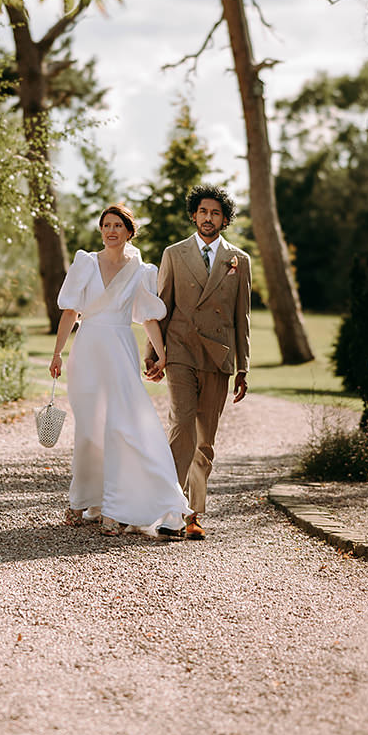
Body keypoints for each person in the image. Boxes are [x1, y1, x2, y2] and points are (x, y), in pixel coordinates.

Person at [49, 204, 191, 537]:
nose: (111, 231)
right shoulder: (85, 262)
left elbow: (149, 317)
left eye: (118, 225)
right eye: (106, 225)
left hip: (120, 349)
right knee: (89, 429)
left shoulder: (141, 270)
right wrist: (57, 353)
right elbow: (70, 312)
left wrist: (162, 353)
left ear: (130, 231)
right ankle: (82, 500)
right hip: (86, 351)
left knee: (122, 425)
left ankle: (116, 509)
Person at [143, 185, 250, 541]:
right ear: (194, 215)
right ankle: (174, 509)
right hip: (181, 351)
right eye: (203, 212)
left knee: (205, 439)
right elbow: (161, 306)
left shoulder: (239, 260)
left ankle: (194, 514)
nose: (209, 218)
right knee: (182, 424)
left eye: (216, 213)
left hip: (218, 356)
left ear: (224, 219)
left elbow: (242, 318)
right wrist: (153, 353)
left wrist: (243, 367)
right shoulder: (174, 254)